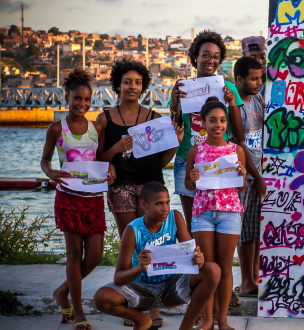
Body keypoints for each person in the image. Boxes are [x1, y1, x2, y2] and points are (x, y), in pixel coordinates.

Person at [169, 29, 245, 312]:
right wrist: (176, 103)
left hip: (222, 163)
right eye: (205, 55)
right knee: (195, 230)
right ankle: (203, 287)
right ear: (195, 57)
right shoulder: (182, 87)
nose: (210, 60)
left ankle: (222, 286)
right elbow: (175, 127)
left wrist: (233, 103)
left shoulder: (229, 88)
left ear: (221, 60)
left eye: (216, 57)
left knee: (224, 226)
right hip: (190, 161)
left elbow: (240, 134)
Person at [41, 68, 116, 330]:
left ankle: (62, 291)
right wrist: (50, 172)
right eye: (77, 99)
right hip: (69, 198)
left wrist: (111, 169)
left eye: (86, 100)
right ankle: (79, 311)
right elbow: (45, 160)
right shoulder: (56, 128)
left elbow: (101, 157)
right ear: (67, 98)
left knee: (95, 255)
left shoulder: (96, 128)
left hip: (93, 196)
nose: (82, 104)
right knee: (74, 255)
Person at [93, 182, 220, 330]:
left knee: (212, 270)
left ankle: (185, 327)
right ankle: (141, 320)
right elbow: (118, 278)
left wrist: (198, 259)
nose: (165, 208)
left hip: (173, 287)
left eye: (167, 203)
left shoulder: (175, 217)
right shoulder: (133, 230)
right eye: (159, 203)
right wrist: (139, 268)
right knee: (101, 297)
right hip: (141, 289)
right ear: (144, 204)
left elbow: (190, 254)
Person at [96, 58, 182, 238]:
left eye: (137, 83)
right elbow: (99, 159)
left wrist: (176, 143)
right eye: (127, 82)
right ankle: (128, 267)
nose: (132, 87)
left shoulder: (154, 118)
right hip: (121, 186)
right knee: (129, 238)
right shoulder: (105, 119)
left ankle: (146, 268)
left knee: (151, 238)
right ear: (118, 85)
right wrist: (116, 148)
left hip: (151, 185)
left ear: (143, 87)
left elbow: (160, 162)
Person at [186, 97, 248, 330]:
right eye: (212, 120)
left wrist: (242, 173)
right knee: (207, 268)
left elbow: (241, 186)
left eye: (222, 120)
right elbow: (189, 186)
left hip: (229, 212)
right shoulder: (196, 150)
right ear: (203, 123)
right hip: (202, 213)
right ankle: (206, 320)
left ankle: (222, 320)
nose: (218, 125)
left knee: (225, 267)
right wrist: (191, 178)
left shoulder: (236, 150)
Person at [230, 56, 266, 298]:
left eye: (261, 78)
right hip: (245, 175)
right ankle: (245, 281)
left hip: (259, 173)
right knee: (243, 234)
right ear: (239, 79)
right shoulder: (234, 105)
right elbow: (240, 140)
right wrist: (257, 176)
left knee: (254, 232)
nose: (258, 82)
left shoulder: (258, 98)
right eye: (253, 79)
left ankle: (253, 280)